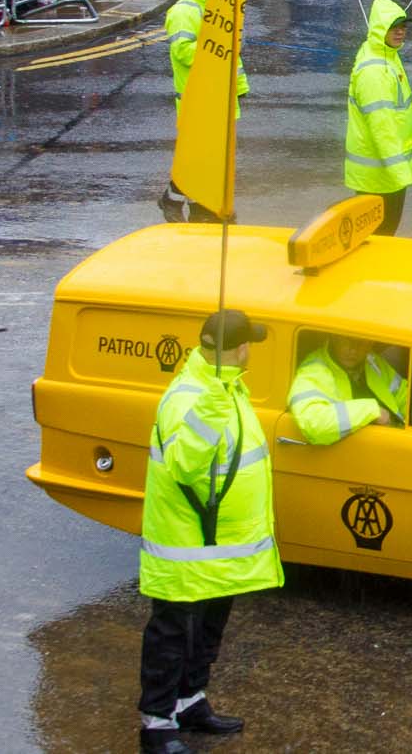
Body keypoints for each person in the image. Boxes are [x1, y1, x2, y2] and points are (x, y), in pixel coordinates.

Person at [136, 309, 278, 754]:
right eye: (247, 341)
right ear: (235, 348)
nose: (251, 348)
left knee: (208, 628)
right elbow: (184, 464)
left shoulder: (226, 387)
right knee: (173, 632)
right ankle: (157, 726)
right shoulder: (192, 396)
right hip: (185, 546)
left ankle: (190, 701)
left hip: (218, 547)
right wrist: (213, 407)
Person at [160, 0, 250, 222]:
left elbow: (233, 56)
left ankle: (202, 209)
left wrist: (241, 87)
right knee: (199, 158)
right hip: (198, 98)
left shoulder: (218, 6)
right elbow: (183, 52)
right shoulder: (183, 12)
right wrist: (217, 45)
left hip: (221, 96)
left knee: (215, 160)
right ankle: (176, 201)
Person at [344, 0, 412, 237]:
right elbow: (382, 127)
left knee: (377, 238)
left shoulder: (386, 55)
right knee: (380, 239)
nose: (400, 31)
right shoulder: (375, 71)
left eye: (404, 26)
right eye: (394, 26)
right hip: (381, 177)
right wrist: (401, 175)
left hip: (381, 174)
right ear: (379, 28)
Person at [287, 334, 395, 443]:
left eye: (362, 342)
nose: (353, 349)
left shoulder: (373, 362)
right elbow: (313, 422)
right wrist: (372, 410)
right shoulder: (314, 369)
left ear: (371, 343)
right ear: (334, 337)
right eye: (347, 339)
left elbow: (404, 396)